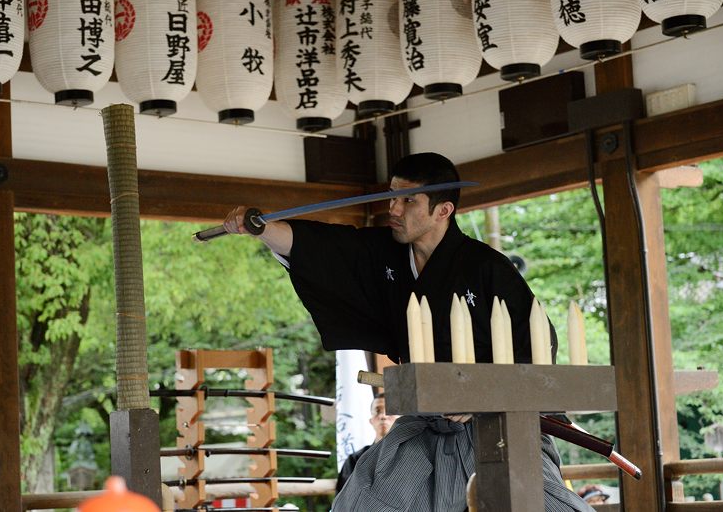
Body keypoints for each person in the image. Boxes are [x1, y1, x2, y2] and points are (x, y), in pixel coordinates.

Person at [223, 152, 592, 511]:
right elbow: (325, 249)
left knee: (532, 503)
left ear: (443, 210)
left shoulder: (486, 267)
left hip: (502, 426)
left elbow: (538, 347)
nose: (394, 209)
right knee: (367, 498)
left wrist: (480, 391)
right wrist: (262, 229)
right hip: (427, 424)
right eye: (392, 197)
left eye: (408, 200)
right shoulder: (385, 253)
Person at [335, 393, 398, 494]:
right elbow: (344, 500)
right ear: (371, 420)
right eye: (377, 411)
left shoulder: (413, 457)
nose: (383, 416)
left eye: (389, 411)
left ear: (400, 419)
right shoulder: (356, 460)